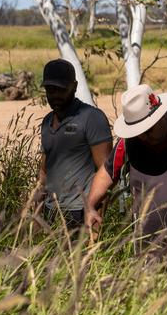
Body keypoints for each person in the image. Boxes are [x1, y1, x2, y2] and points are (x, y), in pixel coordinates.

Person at [84, 84, 167, 241]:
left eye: (147, 131)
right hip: (144, 250)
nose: (142, 137)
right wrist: (90, 206)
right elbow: (107, 172)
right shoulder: (128, 142)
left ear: (161, 116)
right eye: (137, 132)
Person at [32, 59, 112, 229]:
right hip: (51, 212)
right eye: (50, 89)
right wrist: (36, 212)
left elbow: (106, 171)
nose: (55, 95)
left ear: (74, 86)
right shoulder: (47, 122)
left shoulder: (92, 118)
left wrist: (96, 220)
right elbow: (44, 171)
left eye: (61, 89)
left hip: (80, 213)